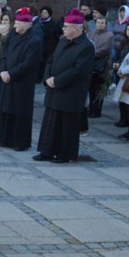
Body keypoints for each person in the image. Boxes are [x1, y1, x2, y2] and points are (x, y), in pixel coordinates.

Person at [34, 9, 95, 163]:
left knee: (66, 125)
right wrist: (48, 77)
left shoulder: (86, 47)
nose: (63, 28)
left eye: (66, 26)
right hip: (54, 90)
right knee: (50, 122)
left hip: (70, 92)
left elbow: (78, 71)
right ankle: (46, 151)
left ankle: (65, 154)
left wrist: (57, 80)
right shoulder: (62, 41)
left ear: (76, 28)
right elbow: (51, 60)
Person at [0, 8, 42, 151]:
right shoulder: (12, 36)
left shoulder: (35, 41)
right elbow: (3, 54)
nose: (15, 26)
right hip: (7, 78)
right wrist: (3, 70)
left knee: (20, 110)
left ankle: (19, 142)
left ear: (27, 24)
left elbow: (29, 63)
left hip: (22, 82)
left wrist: (11, 74)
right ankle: (5, 138)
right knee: (6, 108)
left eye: (18, 23)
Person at [87, 17, 114, 118]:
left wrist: (91, 52)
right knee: (91, 88)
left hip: (102, 66)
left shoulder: (109, 35)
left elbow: (106, 49)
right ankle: (91, 109)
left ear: (106, 24)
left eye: (102, 23)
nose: (100, 24)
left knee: (99, 89)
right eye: (98, 23)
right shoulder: (92, 33)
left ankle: (97, 111)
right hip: (92, 65)